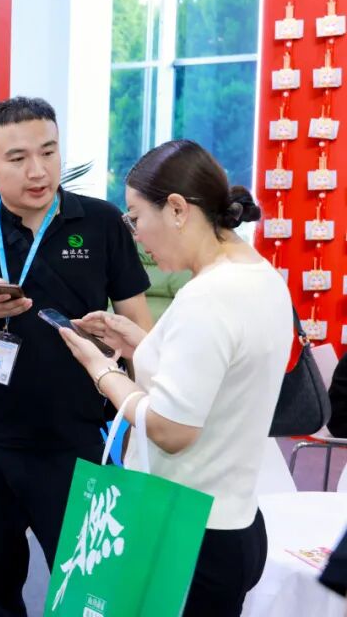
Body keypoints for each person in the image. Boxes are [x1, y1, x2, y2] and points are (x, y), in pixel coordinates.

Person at [0, 96, 152, 616]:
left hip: (75, 441)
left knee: (94, 595)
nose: (38, 171)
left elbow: (141, 329)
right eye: (18, 158)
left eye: (48, 152)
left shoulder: (101, 222)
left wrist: (145, 418)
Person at [59, 139, 292, 616]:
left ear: (178, 209)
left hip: (190, 532)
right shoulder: (260, 276)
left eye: (135, 218)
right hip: (231, 518)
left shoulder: (208, 297)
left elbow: (171, 429)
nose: (135, 236)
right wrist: (139, 344)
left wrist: (101, 370)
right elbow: (214, 375)